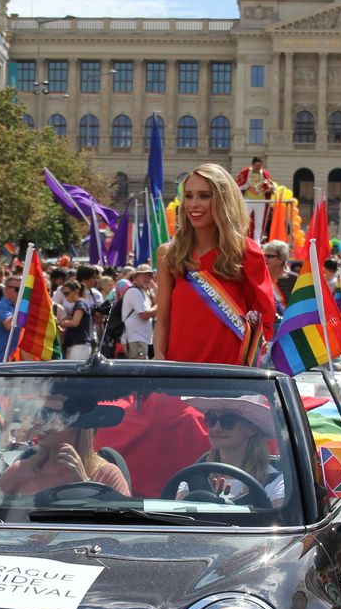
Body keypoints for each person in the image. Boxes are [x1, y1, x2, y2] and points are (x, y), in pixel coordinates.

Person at [154, 162, 278, 364]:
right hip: (177, 374)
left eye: (204, 196)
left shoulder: (246, 253)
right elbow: (163, 320)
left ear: (222, 201)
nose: (193, 204)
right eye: (188, 195)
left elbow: (263, 319)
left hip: (229, 377)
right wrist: (158, 357)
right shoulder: (169, 254)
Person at [0, 391, 131, 497]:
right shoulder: (20, 470)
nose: (37, 422)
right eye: (36, 414)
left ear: (77, 422)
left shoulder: (107, 475)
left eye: (46, 414)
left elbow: (122, 529)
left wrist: (85, 486)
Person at [176, 395, 284, 504]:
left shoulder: (275, 482)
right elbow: (177, 518)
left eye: (228, 420)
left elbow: (279, 520)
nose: (216, 428)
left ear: (252, 429)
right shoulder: (195, 478)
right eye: (211, 418)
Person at [121, 265, 157, 359]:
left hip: (140, 340)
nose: (147, 278)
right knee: (138, 370)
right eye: (144, 275)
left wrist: (152, 285)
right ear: (135, 277)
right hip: (135, 339)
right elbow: (144, 315)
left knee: (140, 369)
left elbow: (159, 297)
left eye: (149, 275)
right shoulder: (134, 292)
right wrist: (160, 306)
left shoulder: (142, 292)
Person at [57, 280, 95, 361]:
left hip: (79, 345)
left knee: (74, 372)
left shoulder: (80, 304)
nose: (65, 297)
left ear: (76, 291)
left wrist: (60, 322)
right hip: (75, 345)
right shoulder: (79, 304)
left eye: (67, 293)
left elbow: (75, 323)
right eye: (64, 294)